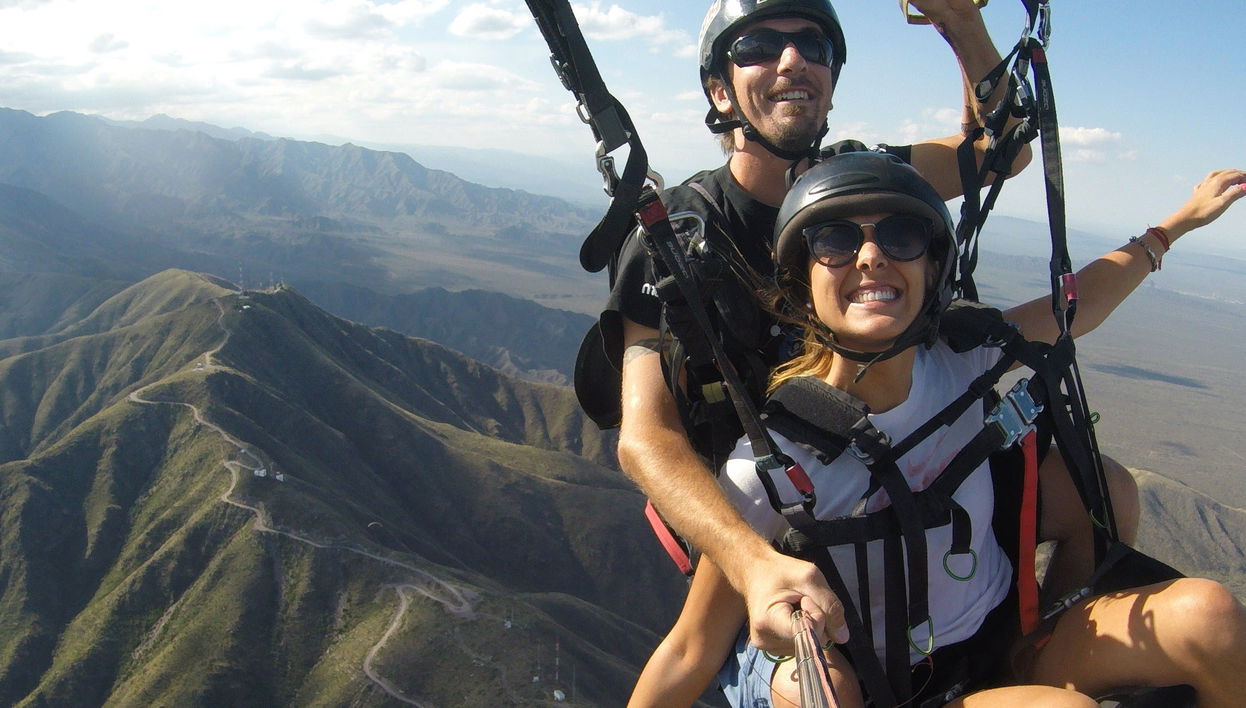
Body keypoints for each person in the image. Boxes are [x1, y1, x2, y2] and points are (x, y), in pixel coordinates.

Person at [593, 0, 1133, 655]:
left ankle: (1043, 657)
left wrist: (961, 23)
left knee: (1100, 489)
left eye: (813, 45)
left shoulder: (866, 180)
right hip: (776, 526)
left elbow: (1001, 152)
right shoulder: (677, 236)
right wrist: (749, 561)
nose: (792, 58)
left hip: (915, 457)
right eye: (760, 44)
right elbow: (645, 437)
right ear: (719, 90)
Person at [627, 151, 1246, 707]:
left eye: (900, 236)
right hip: (888, 686)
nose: (870, 256)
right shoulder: (770, 468)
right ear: (802, 282)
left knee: (1211, 616)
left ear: (932, 270)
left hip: (1009, 640)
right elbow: (690, 653)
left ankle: (1049, 642)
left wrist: (1174, 226)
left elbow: (1074, 306)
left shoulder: (961, 361)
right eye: (836, 241)